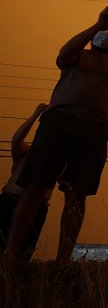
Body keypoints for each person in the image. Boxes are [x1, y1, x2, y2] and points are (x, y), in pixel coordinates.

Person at [3, 4, 108, 262]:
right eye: (105, 30)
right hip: (58, 121)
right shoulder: (77, 57)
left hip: (95, 127)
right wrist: (96, 25)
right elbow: (63, 54)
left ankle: (63, 260)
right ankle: (11, 253)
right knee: (35, 187)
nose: (106, 33)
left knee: (77, 194)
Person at [0, 103, 52, 260]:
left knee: (23, 255)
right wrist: (35, 114)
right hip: (10, 199)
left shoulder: (54, 161)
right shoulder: (25, 152)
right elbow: (17, 138)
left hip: (38, 207)